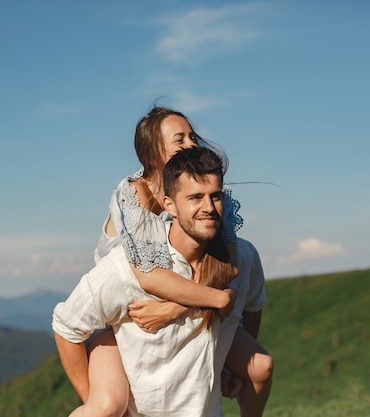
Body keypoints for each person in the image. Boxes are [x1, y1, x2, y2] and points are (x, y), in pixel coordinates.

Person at [64, 106, 272, 416]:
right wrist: (213, 299)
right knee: (107, 406)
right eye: (179, 139)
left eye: (193, 136)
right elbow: (147, 276)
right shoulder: (133, 198)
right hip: (120, 316)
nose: (191, 143)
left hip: (187, 301)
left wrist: (177, 308)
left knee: (260, 367)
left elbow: (227, 265)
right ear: (152, 155)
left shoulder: (204, 192)